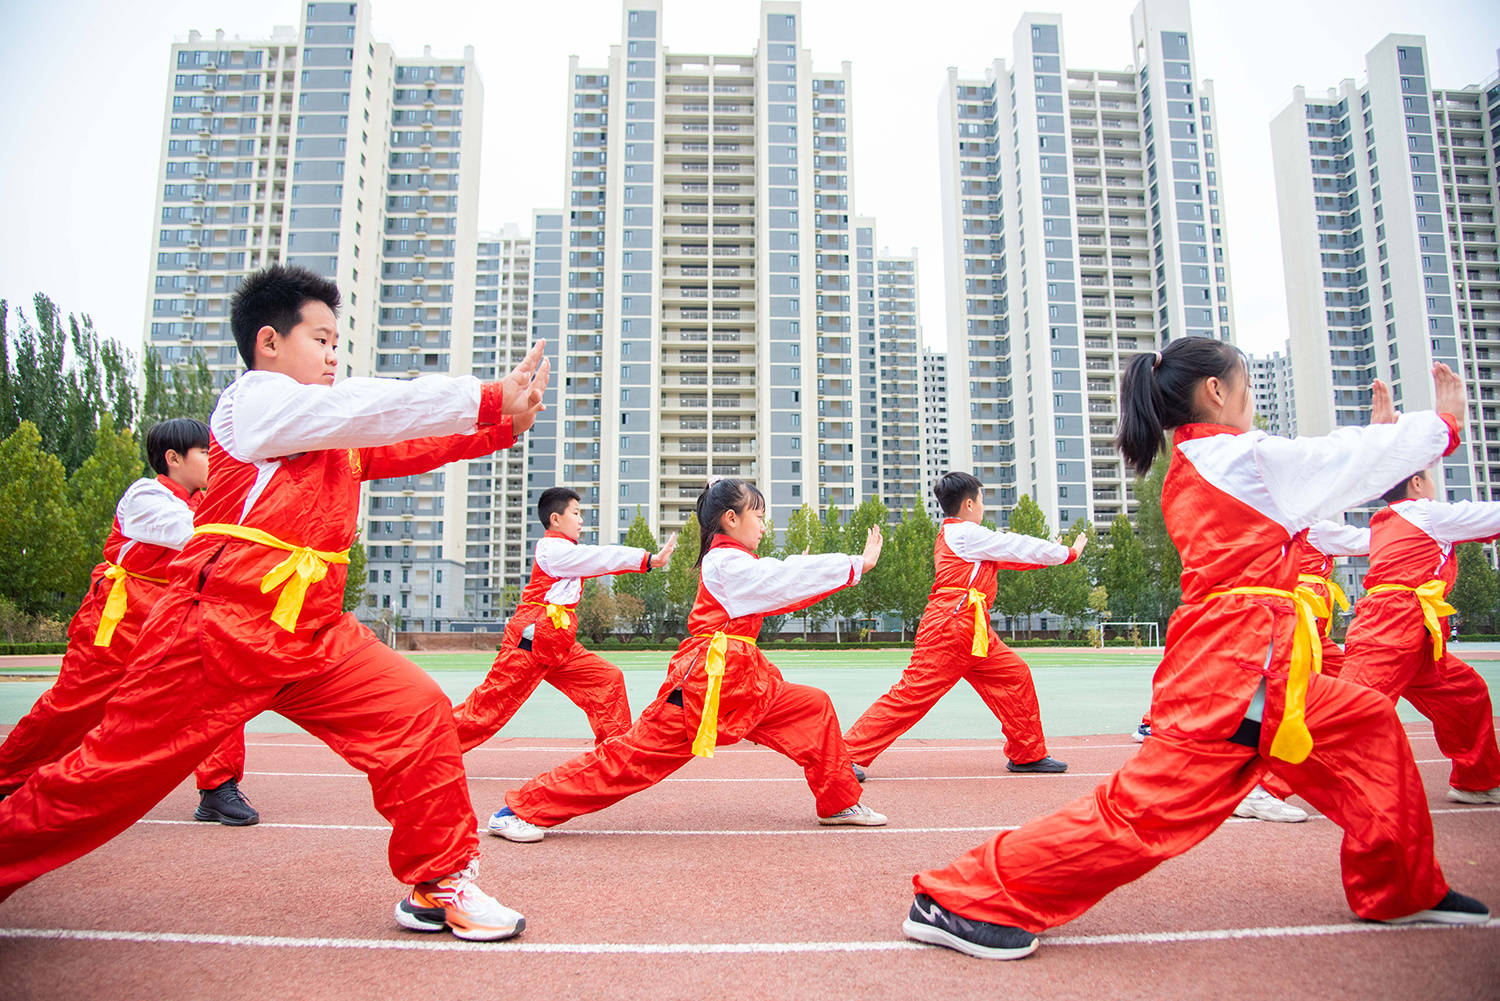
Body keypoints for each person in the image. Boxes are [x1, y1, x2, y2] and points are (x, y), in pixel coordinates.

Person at [0, 265, 550, 942]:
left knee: (418, 715)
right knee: (100, 784)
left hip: (313, 634)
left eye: (334, 341)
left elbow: (402, 441)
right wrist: (485, 396)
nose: (331, 353)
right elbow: (362, 408)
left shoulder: (329, 436)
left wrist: (500, 427)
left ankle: (439, 882)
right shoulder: (252, 403)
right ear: (267, 342)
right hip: (218, 631)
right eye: (320, 339)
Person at [901, 341, 1489, 961]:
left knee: (1367, 724)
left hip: (1256, 659)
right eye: (1245, 386)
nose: (1251, 399)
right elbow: (1329, 459)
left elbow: (1324, 472)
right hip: (1236, 668)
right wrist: (1441, 426)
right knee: (1145, 814)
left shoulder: (1213, 460)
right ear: (1215, 391)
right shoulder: (1239, 458)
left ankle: (1398, 886)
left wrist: (1384, 446)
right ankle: (965, 898)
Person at [487, 478, 887, 842]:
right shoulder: (726, 563)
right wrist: (856, 564)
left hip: (743, 679)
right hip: (707, 683)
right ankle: (521, 808)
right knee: (631, 758)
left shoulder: (735, 562)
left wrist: (837, 571)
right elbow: (780, 578)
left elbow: (781, 585)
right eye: (759, 516)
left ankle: (838, 801)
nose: (764, 526)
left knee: (812, 707)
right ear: (731, 518)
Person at [0, 418, 256, 826]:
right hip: (124, 614)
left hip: (179, 609)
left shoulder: (209, 501)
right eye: (206, 452)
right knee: (73, 706)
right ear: (173, 459)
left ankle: (217, 787)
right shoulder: (146, 494)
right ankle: (7, 777)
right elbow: (193, 535)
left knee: (215, 691)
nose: (215, 459)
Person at [842, 471, 1081, 780]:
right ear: (969, 503)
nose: (983, 508)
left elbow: (1013, 556)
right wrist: (1069, 553)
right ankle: (844, 755)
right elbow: (1014, 545)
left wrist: (1053, 554)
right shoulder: (965, 532)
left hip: (971, 627)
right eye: (981, 501)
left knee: (1014, 674)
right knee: (913, 693)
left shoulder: (965, 538)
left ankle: (1027, 753)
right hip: (951, 625)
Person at [451, 486, 675, 750]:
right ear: (555, 519)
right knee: (489, 708)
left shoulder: (566, 552)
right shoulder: (551, 549)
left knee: (607, 679)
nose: (581, 521)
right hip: (532, 639)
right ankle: (422, 749)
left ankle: (615, 754)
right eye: (576, 513)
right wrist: (649, 559)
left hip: (557, 638)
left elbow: (593, 561)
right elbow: (599, 558)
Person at [1339, 468, 1500, 805]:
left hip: (1415, 629)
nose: (1433, 487)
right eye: (1430, 480)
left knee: (1466, 693)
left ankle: (1477, 780)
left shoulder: (1385, 520)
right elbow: (1489, 516)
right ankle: (1265, 785)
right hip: (1392, 623)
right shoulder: (1425, 512)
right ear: (1417, 483)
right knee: (1348, 709)